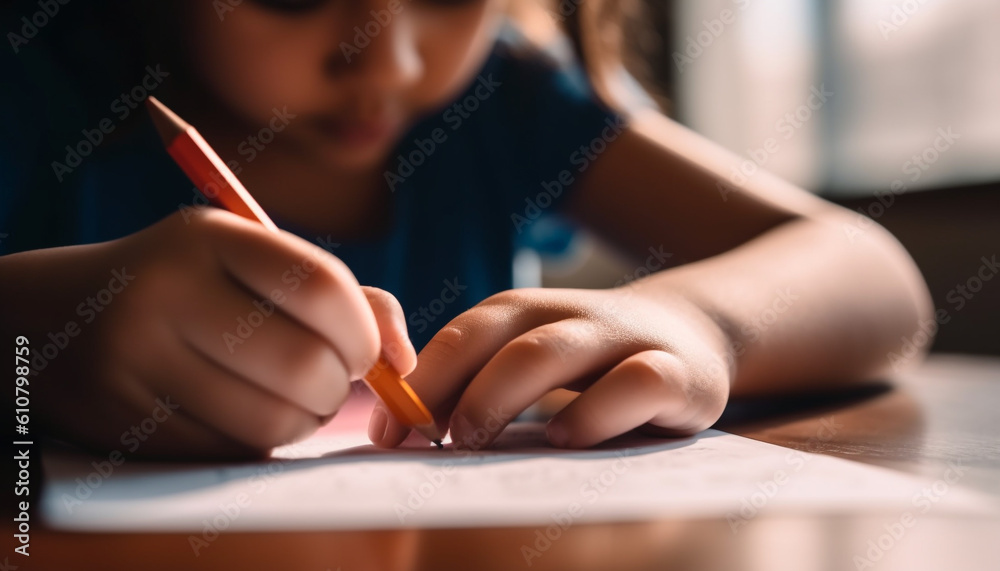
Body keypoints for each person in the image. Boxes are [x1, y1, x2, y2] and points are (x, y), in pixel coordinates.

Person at [0, 0, 932, 458]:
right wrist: (35, 340)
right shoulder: (43, 87)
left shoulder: (508, 98)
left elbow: (873, 273)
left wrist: (701, 323)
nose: (387, 58)